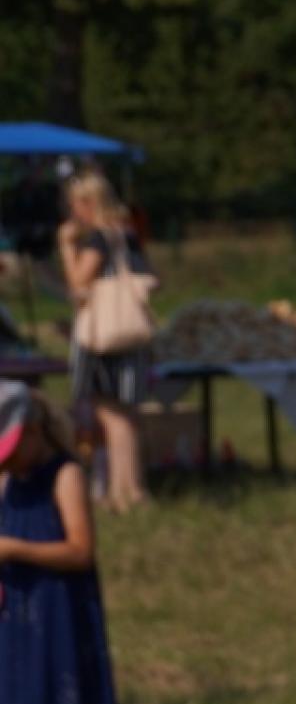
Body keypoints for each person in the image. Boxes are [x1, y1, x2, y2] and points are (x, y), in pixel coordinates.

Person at [0, 381, 120, 704]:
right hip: (19, 618)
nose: (7, 463)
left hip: (59, 616)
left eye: (10, 451)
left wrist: (16, 549)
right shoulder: (8, 481)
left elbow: (81, 550)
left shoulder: (65, 475)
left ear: (34, 430)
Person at [57, 170, 155, 514]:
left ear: (88, 203)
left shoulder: (98, 239)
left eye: (75, 204)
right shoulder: (127, 236)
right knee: (127, 414)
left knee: (111, 414)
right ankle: (130, 488)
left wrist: (67, 246)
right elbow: (151, 277)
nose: (73, 212)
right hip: (132, 333)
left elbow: (78, 283)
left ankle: (124, 491)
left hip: (104, 336)